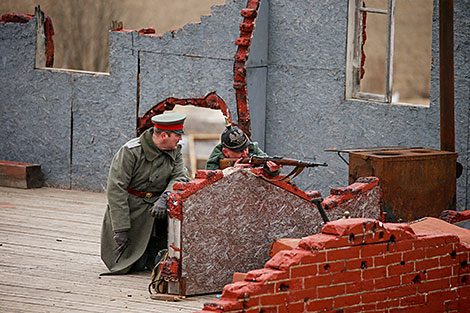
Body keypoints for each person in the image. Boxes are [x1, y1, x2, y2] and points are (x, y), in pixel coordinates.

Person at [100, 112, 190, 275]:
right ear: (164, 135)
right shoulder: (130, 151)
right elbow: (116, 189)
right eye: (177, 135)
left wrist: (164, 198)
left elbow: (180, 176)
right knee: (122, 262)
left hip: (158, 209)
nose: (180, 139)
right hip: (132, 207)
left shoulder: (175, 151)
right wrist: (121, 227)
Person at [205, 124, 281, 175]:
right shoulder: (216, 158)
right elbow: (210, 181)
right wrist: (231, 171)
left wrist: (273, 170)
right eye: (239, 151)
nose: (245, 154)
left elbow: (267, 164)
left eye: (246, 148)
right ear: (225, 152)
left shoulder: (253, 148)